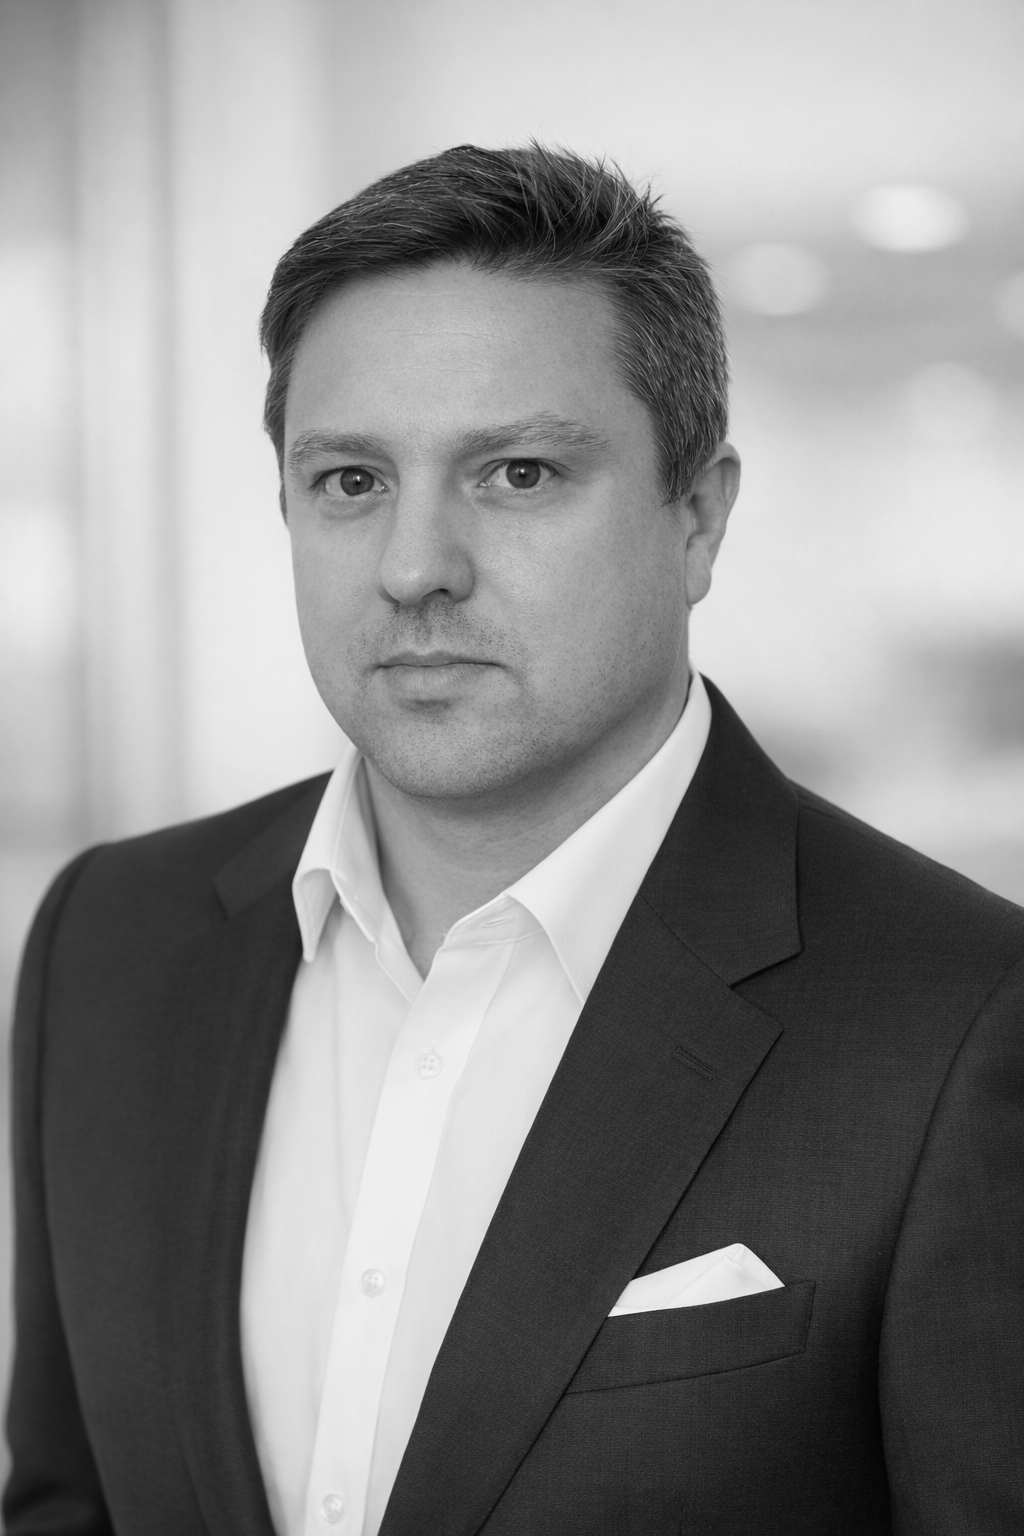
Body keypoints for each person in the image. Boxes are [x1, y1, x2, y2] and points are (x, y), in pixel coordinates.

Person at [4, 144, 1022, 1536]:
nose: (416, 565)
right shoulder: (110, 940)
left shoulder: (964, 1016)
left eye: (519, 473)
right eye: (351, 481)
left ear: (700, 518)